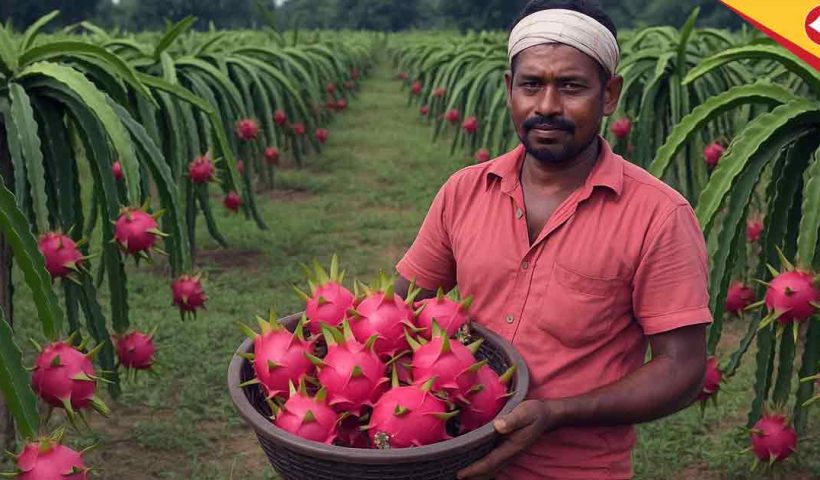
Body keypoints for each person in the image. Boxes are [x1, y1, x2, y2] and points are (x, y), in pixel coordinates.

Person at [393, 1, 712, 478]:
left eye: (571, 86)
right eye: (531, 85)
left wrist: (558, 412)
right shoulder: (463, 191)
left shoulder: (658, 215)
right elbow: (398, 313)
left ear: (609, 95)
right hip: (450, 453)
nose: (546, 106)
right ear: (509, 90)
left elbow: (683, 370)